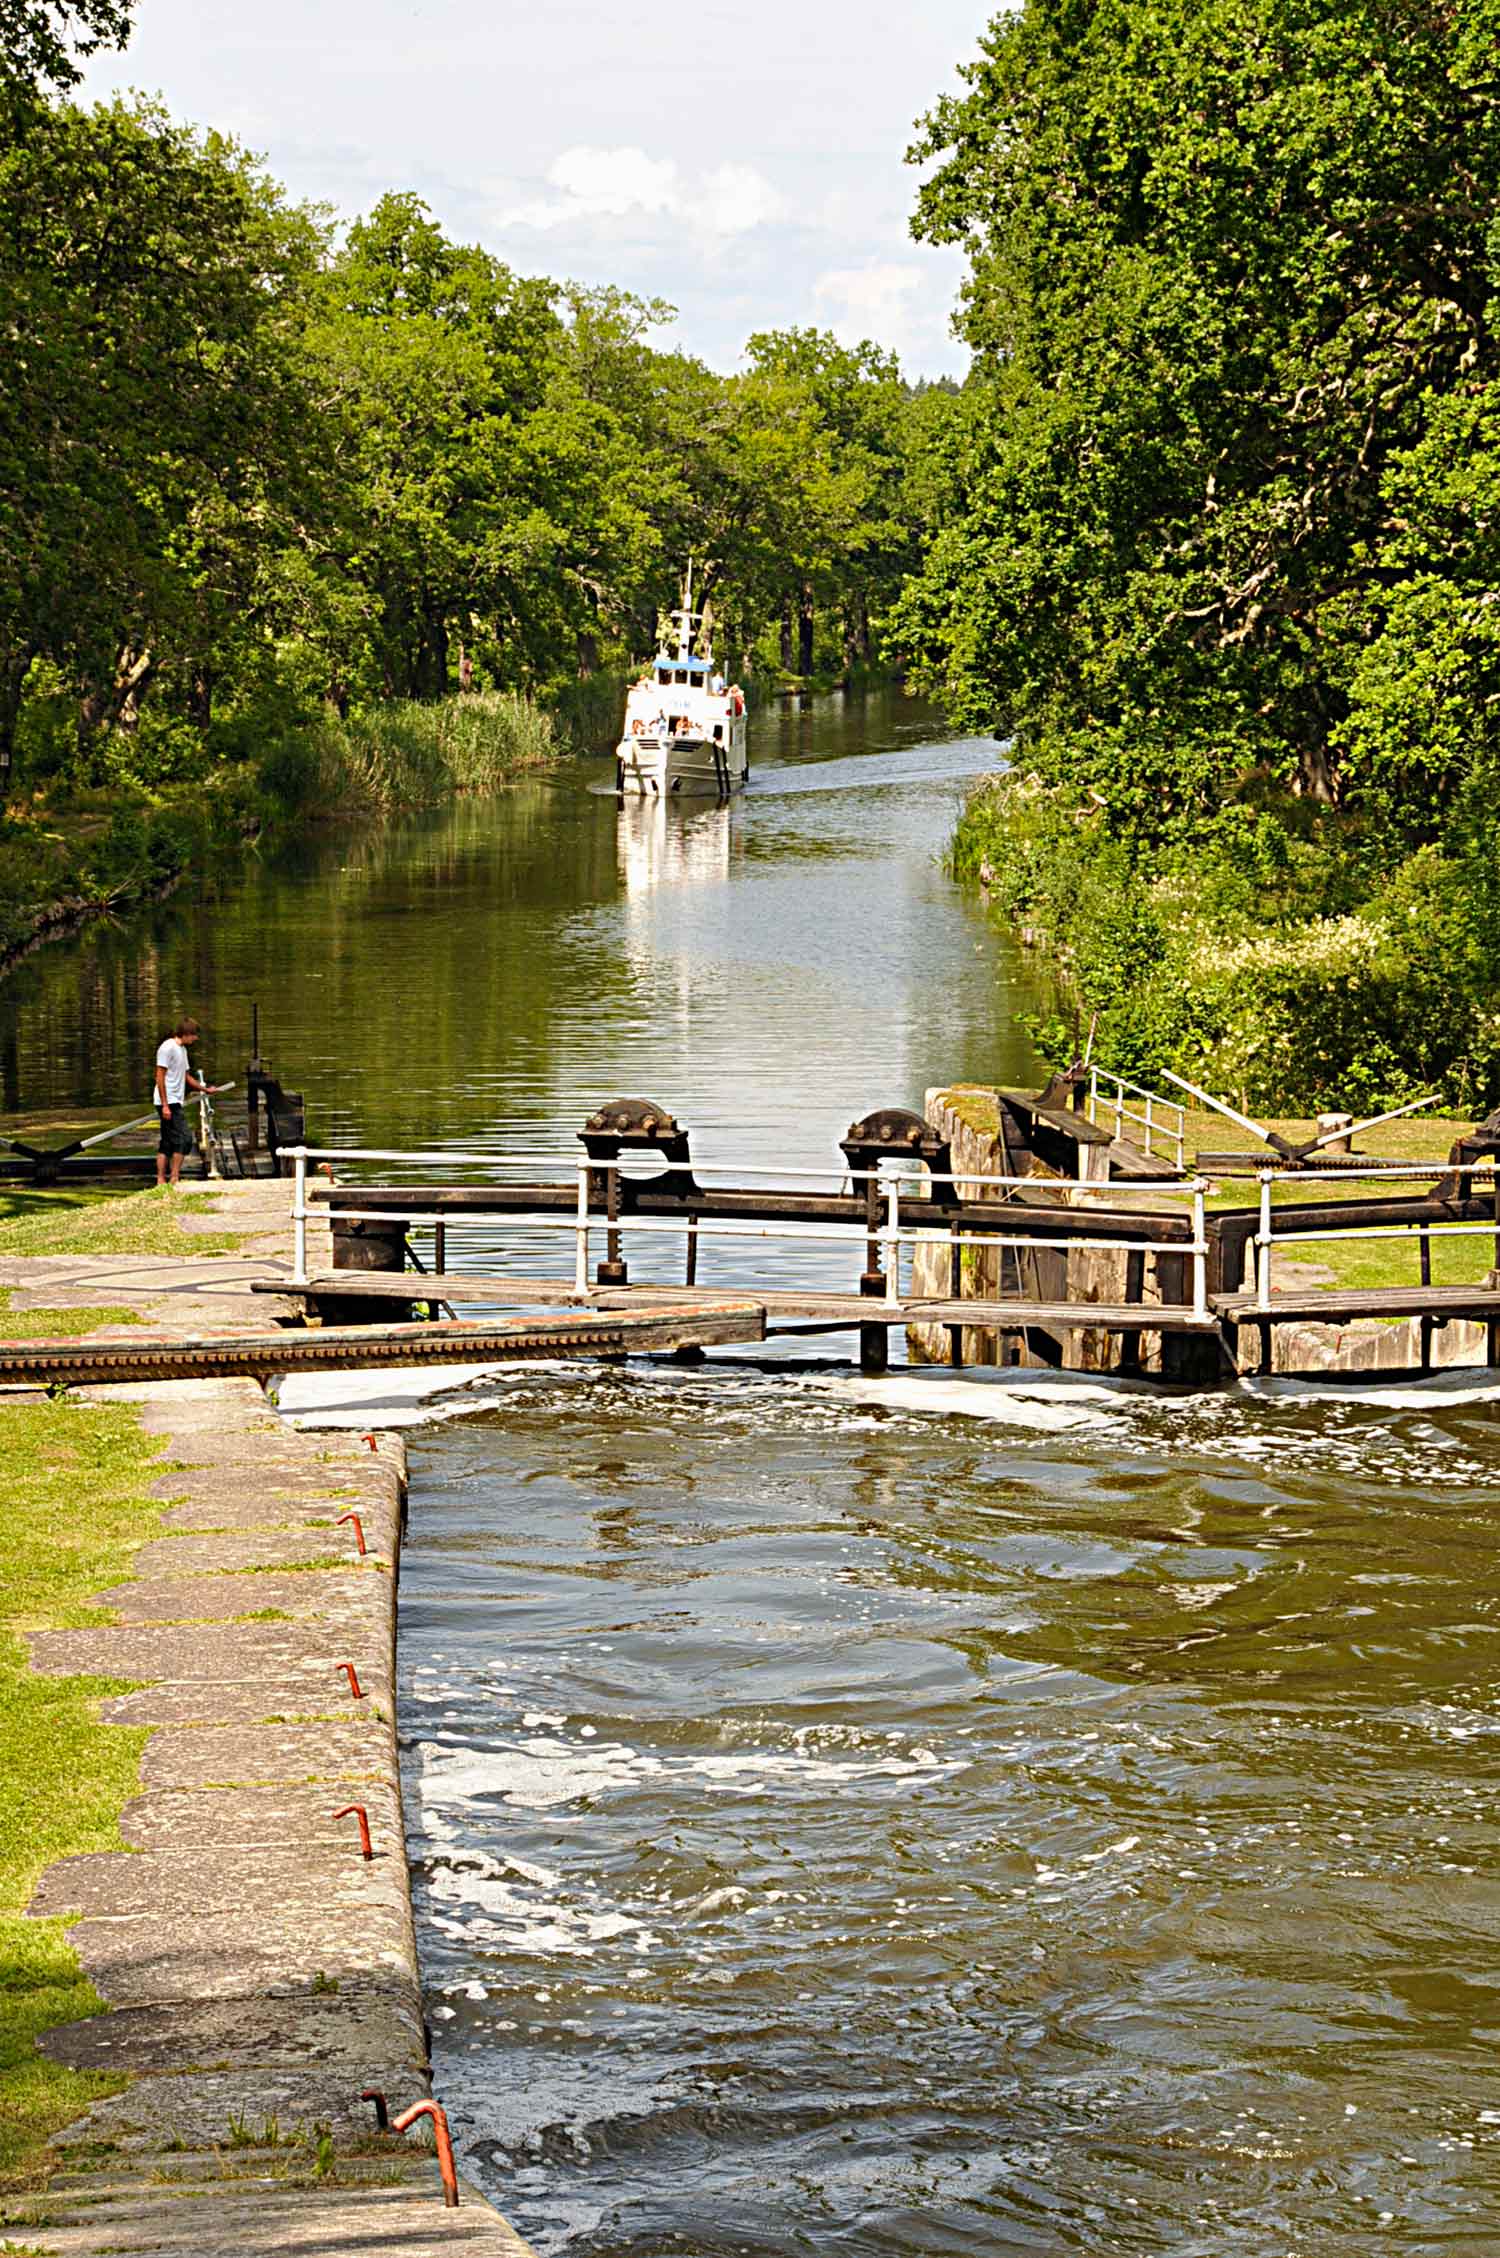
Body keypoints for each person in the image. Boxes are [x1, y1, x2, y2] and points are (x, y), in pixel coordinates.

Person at [154, 1016, 207, 1187]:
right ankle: (173, 1177)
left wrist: (205, 1089)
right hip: (167, 1101)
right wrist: (165, 1105)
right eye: (194, 1035)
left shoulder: (182, 1050)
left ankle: (163, 1180)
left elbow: (186, 1076)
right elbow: (159, 1077)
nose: (196, 1039)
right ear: (186, 1033)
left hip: (175, 1100)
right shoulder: (167, 1048)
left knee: (168, 1141)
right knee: (185, 1138)